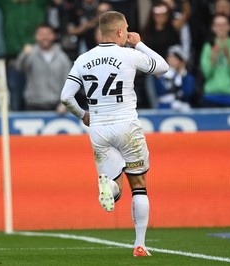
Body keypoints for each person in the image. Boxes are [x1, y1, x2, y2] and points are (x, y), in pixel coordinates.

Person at [60, 11, 168, 257]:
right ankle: (139, 245)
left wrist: (82, 115)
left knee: (115, 188)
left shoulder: (83, 59)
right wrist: (138, 42)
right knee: (139, 186)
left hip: (99, 127)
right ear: (120, 31)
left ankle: (108, 185)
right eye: (127, 29)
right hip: (127, 125)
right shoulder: (129, 54)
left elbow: (65, 97)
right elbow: (163, 67)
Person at [15, 23, 71, 112]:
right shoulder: (30, 53)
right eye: (41, 35)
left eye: (47, 34)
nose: (44, 37)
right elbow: (19, 67)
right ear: (36, 36)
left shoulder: (62, 57)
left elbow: (69, 83)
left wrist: (64, 104)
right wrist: (24, 55)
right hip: (33, 105)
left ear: (53, 36)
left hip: (56, 106)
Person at [200, 14, 230, 107]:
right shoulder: (208, 47)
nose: (221, 28)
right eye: (218, 25)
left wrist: (229, 57)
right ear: (213, 28)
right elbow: (206, 74)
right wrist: (213, 57)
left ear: (229, 27)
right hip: (211, 95)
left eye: (224, 25)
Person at [154, 44, 195, 111]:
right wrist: (158, 79)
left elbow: (188, 93)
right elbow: (159, 92)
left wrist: (182, 76)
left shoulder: (186, 75)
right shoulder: (162, 74)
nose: (171, 60)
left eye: (174, 58)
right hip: (165, 107)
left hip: (183, 107)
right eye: (170, 57)